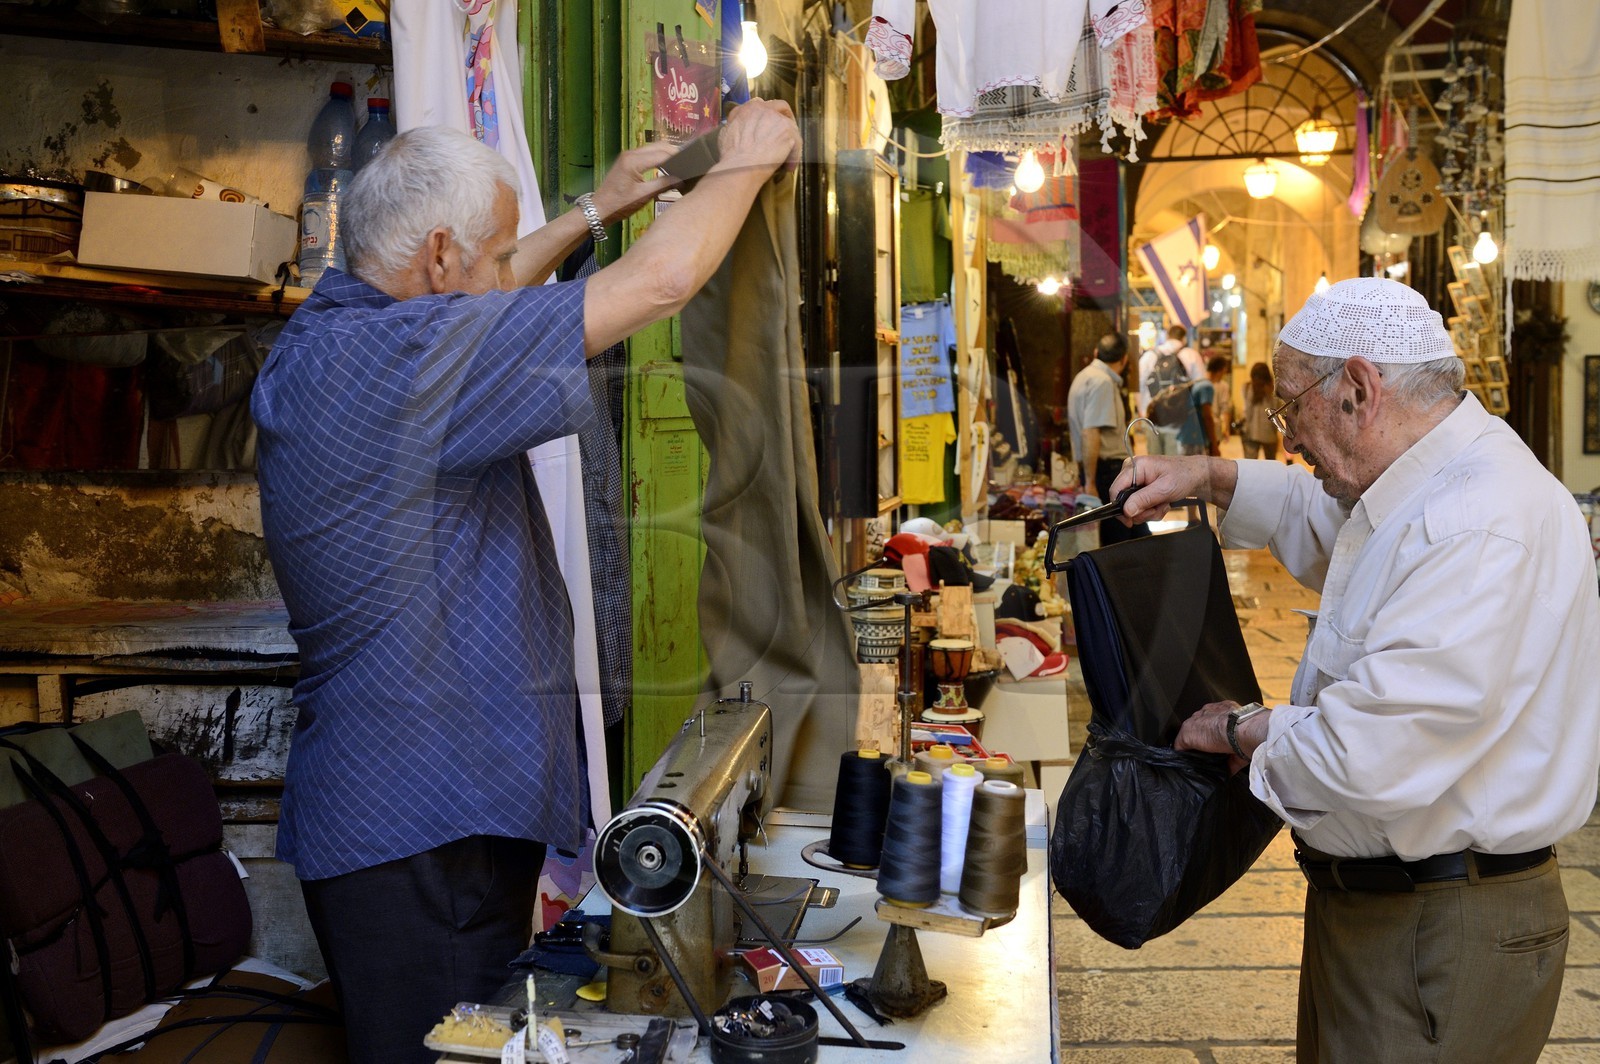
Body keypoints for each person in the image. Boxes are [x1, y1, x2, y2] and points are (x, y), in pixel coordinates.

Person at [251, 103, 803, 1064]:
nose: (508, 277)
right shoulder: (396, 363)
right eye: (496, 256)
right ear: (435, 257)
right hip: (421, 826)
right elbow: (663, 281)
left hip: (420, 816)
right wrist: (741, 167)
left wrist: (598, 209)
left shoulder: (348, 338)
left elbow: (489, 290)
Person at [1110, 277, 1600, 1063]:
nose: (1289, 435)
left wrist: (1243, 729)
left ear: (1360, 390)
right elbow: (1330, 526)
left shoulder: (1479, 521)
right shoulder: (1427, 485)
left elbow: (1370, 752)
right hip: (1399, 914)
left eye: (1290, 408)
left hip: (1440, 930)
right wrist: (1207, 475)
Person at [1066, 332, 1150, 545]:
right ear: (1124, 359)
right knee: (1123, 542)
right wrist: (1091, 481)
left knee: (1132, 537)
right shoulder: (1102, 382)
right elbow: (1090, 432)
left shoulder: (1084, 376)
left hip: (1100, 473)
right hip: (1107, 474)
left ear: (1096, 353)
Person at [1137, 322, 1203, 454]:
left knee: (1154, 465)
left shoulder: (1149, 356)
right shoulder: (1191, 355)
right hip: (1179, 422)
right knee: (1174, 467)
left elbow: (1139, 387)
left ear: (1167, 336)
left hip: (1152, 419)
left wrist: (1142, 413)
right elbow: (1200, 387)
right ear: (1184, 338)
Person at [1239, 360, 1281, 460]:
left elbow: (1246, 412)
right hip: (1269, 433)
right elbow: (1277, 410)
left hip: (1250, 431)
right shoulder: (1273, 390)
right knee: (1270, 465)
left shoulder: (1246, 388)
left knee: (1250, 465)